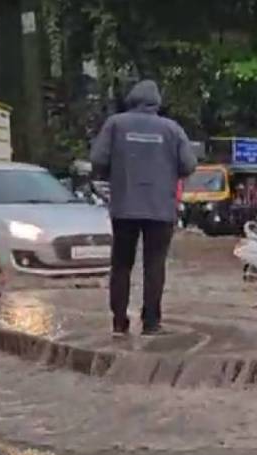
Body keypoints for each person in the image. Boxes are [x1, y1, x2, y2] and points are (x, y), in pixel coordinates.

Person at [90, 79, 197, 337]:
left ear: (131, 99)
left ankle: (119, 321)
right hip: (161, 209)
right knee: (155, 265)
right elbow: (188, 165)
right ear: (157, 102)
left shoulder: (115, 124)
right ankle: (151, 323)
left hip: (124, 207)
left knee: (121, 264)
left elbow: (97, 159)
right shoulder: (172, 129)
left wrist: (114, 172)